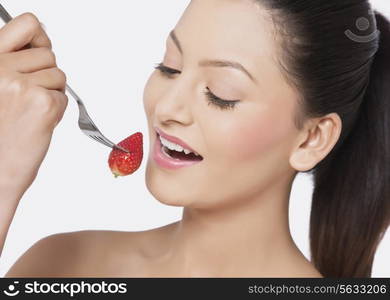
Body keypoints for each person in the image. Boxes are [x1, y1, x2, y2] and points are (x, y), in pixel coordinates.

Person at [1, 0, 389, 278]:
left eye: (221, 93)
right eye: (169, 67)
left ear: (311, 139)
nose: (167, 107)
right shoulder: (60, 264)